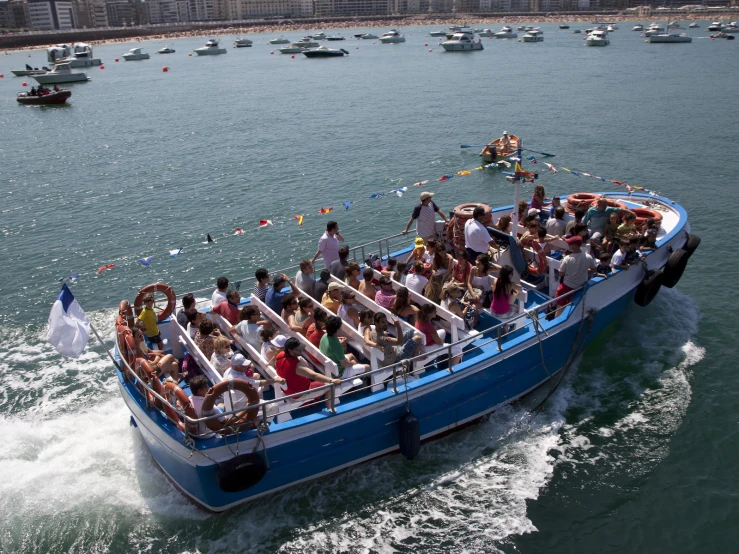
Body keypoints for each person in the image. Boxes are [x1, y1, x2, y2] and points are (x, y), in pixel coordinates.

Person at [275, 338, 341, 408]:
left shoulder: (280, 355)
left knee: (300, 358)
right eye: (298, 349)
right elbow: (314, 376)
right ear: (290, 350)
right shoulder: (296, 366)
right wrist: (331, 380)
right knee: (331, 385)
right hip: (300, 394)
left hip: (288, 390)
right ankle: (330, 408)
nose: (301, 350)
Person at [554, 236, 596, 317]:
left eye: (570, 243)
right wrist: (584, 271)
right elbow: (593, 270)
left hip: (567, 286)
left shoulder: (567, 258)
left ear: (576, 245)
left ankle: (556, 320)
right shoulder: (588, 257)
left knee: (560, 308)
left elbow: (561, 273)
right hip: (580, 285)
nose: (568, 245)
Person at [490, 265, 522, 350]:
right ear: (509, 275)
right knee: (516, 308)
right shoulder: (510, 285)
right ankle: (508, 324)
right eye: (511, 274)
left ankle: (508, 324)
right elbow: (520, 288)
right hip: (502, 314)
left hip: (492, 310)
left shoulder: (496, 280)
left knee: (508, 307)